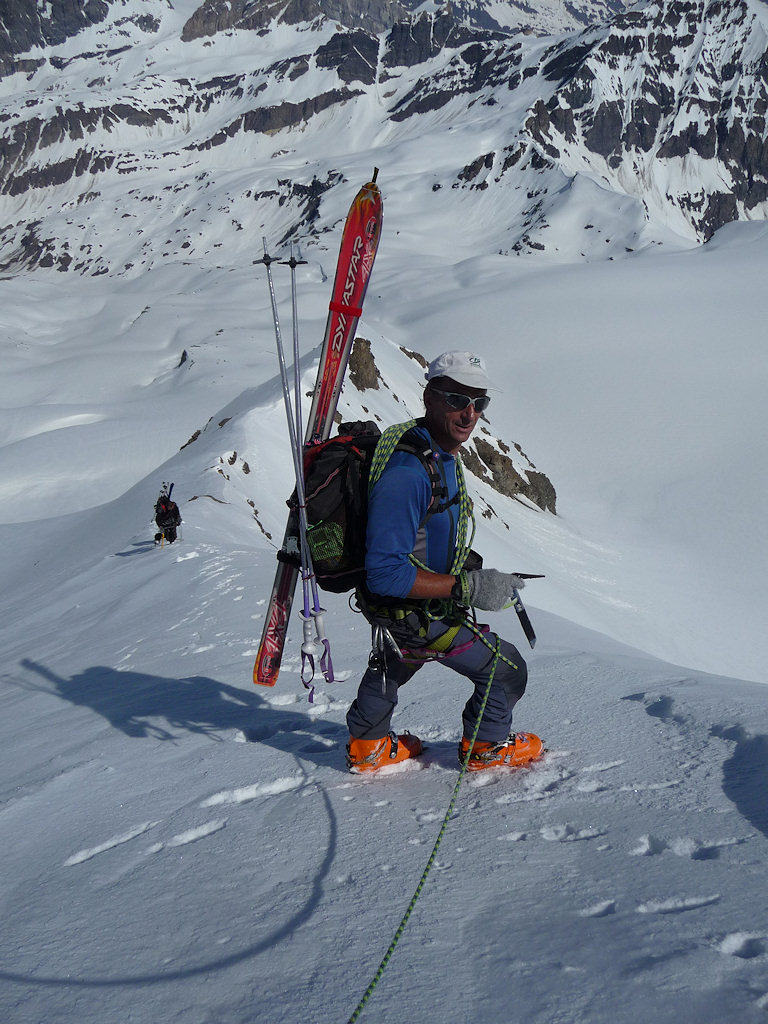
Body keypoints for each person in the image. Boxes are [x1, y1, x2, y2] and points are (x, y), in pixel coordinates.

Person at [345, 350, 543, 773]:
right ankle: (485, 748)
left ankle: (368, 745)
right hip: (415, 608)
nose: (469, 413)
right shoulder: (408, 472)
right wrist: (465, 588)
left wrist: (461, 564)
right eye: (456, 399)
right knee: (505, 670)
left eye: (479, 402)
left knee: (396, 661)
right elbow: (386, 573)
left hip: (400, 610)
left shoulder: (433, 452)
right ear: (429, 397)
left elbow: (423, 532)